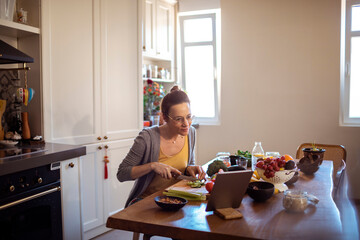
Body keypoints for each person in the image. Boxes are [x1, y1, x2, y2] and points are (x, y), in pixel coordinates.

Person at [117, 86, 206, 207]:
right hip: (148, 202)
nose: (186, 124)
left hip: (177, 200)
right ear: (164, 117)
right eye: (179, 119)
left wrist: (190, 168)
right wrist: (152, 166)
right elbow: (122, 173)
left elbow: (188, 165)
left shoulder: (191, 133)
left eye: (189, 117)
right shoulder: (147, 138)